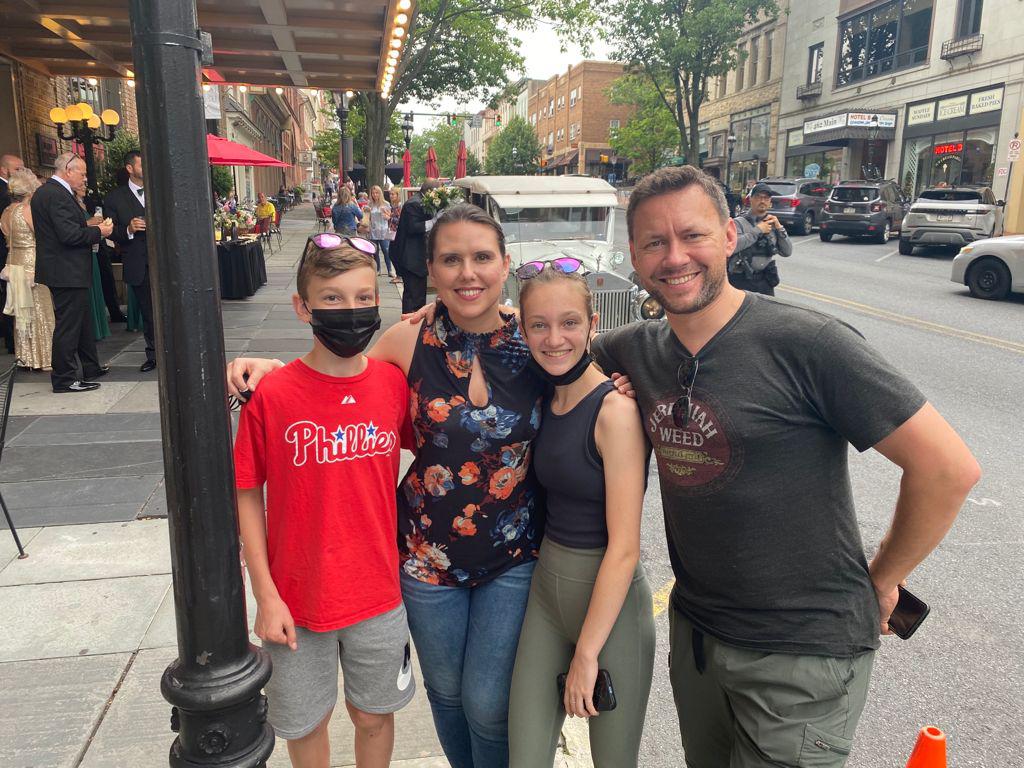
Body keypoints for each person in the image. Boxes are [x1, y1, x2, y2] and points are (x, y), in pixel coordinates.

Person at [590, 165, 980, 767]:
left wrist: (884, 577)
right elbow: (548, 352)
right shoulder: (631, 350)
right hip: (698, 640)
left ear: (729, 237)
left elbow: (948, 469)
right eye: (654, 243)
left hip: (802, 655)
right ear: (635, 258)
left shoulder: (808, 343)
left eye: (692, 235)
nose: (675, 258)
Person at [226, 204, 550, 768]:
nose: (467, 272)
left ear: (505, 264)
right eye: (451, 259)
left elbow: (585, 359)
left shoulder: (537, 339)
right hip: (414, 562)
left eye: (481, 257)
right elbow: (331, 379)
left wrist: (620, 384)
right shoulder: (408, 340)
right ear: (430, 268)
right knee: (440, 697)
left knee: (483, 703)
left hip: (500, 558)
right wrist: (272, 371)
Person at [234, 237, 415, 768]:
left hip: (378, 592)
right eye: (332, 298)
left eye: (363, 297)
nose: (350, 310)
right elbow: (247, 493)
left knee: (374, 716)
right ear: (303, 307)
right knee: (305, 722)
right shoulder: (272, 394)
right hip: (296, 597)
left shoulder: (392, 386)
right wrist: (264, 594)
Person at [507, 261, 655, 767]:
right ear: (523, 329)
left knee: (613, 762)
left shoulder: (616, 411)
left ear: (593, 324)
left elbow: (626, 547)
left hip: (612, 612)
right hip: (547, 598)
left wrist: (587, 655)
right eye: (539, 325)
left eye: (569, 323)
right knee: (525, 756)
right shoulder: (544, 394)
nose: (554, 339)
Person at [32, 152, 113, 393]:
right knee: (68, 325)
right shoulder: (54, 194)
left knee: (82, 321)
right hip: (65, 270)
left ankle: (90, 367)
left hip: (69, 269)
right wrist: (99, 232)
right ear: (68, 170)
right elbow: (68, 235)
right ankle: (64, 378)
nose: (85, 178)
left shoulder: (53, 192)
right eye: (83, 173)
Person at [104, 150, 156, 372]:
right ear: (130, 168)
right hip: (137, 263)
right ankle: (154, 355)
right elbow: (110, 231)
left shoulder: (159, 191)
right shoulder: (114, 198)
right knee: (149, 312)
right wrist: (128, 229)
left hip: (165, 263)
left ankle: (175, 351)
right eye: (142, 165)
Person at [0, 168, 55, 370]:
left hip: (14, 262)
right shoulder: (26, 210)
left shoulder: (6, 211)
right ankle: (45, 357)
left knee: (23, 313)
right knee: (41, 309)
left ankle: (26, 357)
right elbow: (42, 234)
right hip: (32, 262)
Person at [728, 181, 791, 296]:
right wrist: (758, 230)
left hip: (765, 281)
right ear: (750, 199)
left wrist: (780, 228)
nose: (762, 201)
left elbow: (787, 252)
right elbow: (732, 247)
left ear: (770, 202)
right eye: (758, 197)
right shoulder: (738, 222)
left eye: (766, 198)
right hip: (741, 281)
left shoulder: (773, 224)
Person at [390, 179, 439, 314]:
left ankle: (415, 318)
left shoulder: (419, 201)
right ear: (430, 192)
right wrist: (434, 221)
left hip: (416, 258)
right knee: (413, 295)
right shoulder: (414, 204)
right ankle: (411, 320)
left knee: (418, 294)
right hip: (411, 258)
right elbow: (413, 227)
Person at [0, 154, 23, 353]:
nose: (21, 172)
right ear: (3, 170)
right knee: (11, 297)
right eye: (17, 169)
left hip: (13, 253)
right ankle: (13, 340)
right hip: (10, 252)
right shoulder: (5, 193)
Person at [364, 185, 393, 278]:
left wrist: (386, 215)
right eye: (373, 193)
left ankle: (390, 270)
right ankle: (378, 270)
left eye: (376, 193)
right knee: (375, 252)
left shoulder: (386, 204)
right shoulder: (369, 204)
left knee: (386, 251)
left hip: (383, 231)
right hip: (373, 231)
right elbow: (367, 217)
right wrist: (365, 212)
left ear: (380, 193)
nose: (375, 195)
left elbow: (390, 217)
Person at [386, 189, 402, 284]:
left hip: (398, 233)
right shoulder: (393, 206)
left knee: (393, 254)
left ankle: (399, 275)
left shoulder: (399, 206)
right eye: (390, 194)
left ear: (397, 195)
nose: (391, 196)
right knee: (392, 253)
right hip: (393, 232)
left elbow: (400, 220)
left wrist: (390, 217)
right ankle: (399, 275)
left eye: (393, 194)